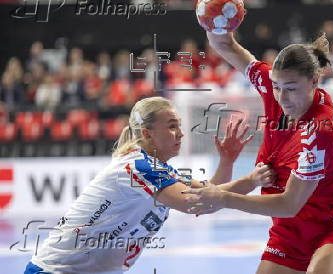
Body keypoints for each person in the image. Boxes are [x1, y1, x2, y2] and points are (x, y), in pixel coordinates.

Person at [184, 28, 333, 274]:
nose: (282, 97)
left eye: (291, 88)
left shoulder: (322, 128)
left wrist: (224, 198)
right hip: (290, 231)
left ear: (314, 80)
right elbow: (227, 46)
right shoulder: (274, 88)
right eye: (277, 86)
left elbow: (289, 203)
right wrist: (213, 25)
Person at [24, 96, 275, 273]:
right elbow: (195, 202)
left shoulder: (157, 169)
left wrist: (227, 161)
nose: (181, 133)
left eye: (179, 126)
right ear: (147, 134)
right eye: (172, 127)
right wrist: (252, 180)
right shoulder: (139, 167)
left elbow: (206, 196)